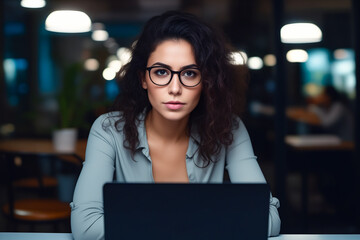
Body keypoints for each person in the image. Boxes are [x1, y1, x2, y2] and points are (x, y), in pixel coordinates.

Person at [70, 11, 281, 240]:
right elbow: (86, 227)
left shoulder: (228, 128)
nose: (174, 88)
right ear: (143, 79)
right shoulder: (109, 129)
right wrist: (206, 222)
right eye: (161, 72)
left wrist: (140, 224)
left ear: (206, 81)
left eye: (189, 73)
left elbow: (268, 220)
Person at [287, 86, 354, 141]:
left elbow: (326, 123)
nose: (319, 96)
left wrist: (314, 106)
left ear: (328, 97)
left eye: (321, 94)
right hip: (335, 139)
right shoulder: (326, 108)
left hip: (345, 141)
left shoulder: (338, 107)